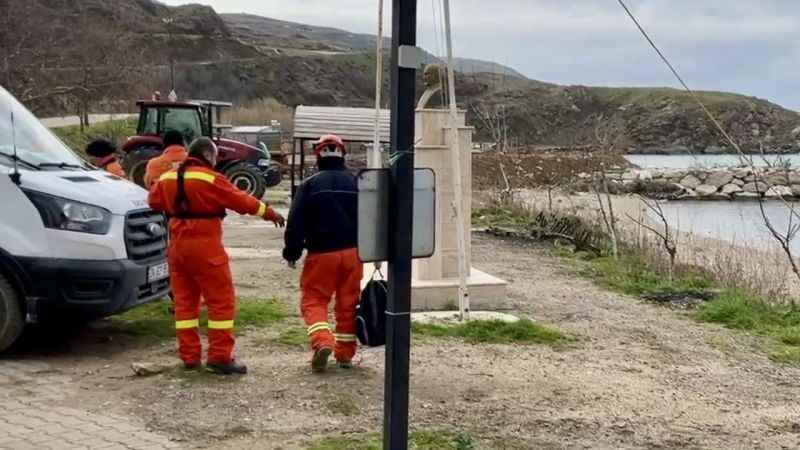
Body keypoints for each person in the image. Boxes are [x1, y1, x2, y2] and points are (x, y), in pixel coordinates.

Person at [148, 137, 285, 375]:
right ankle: (220, 357)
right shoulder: (211, 179)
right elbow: (243, 201)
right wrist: (270, 213)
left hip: (177, 248)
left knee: (184, 305)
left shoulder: (167, 178)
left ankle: (189, 357)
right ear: (209, 156)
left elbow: (153, 201)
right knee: (220, 302)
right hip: (206, 248)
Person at [283, 134, 361, 373]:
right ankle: (345, 355)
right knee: (348, 304)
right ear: (343, 154)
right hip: (354, 253)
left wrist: (292, 252)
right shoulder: (357, 182)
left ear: (317, 155)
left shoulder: (310, 185)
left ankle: (322, 342)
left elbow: (295, 222)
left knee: (314, 300)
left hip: (322, 254)